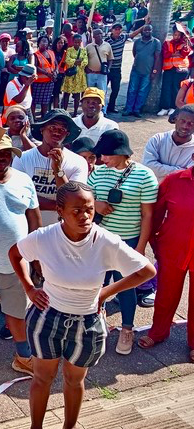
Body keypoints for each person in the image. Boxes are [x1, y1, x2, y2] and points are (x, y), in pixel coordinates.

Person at [8, 181, 155, 429]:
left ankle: (69, 425)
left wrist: (105, 293)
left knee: (75, 379)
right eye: (76, 211)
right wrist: (29, 287)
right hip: (47, 318)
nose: (85, 216)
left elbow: (147, 271)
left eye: (89, 209)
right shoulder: (45, 236)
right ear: (60, 211)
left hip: (88, 323)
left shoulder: (106, 241)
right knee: (42, 377)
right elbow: (16, 254)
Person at [0, 136, 40, 374]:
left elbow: (34, 218)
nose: (1, 157)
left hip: (17, 264)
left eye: (6, 153)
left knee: (16, 312)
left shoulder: (23, 180)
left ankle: (23, 357)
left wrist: (36, 256)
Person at [88, 130, 158, 354]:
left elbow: (148, 215)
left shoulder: (145, 176)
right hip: (98, 240)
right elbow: (86, 200)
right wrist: (96, 204)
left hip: (128, 241)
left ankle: (127, 329)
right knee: (95, 286)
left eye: (107, 155)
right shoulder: (98, 173)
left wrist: (140, 247)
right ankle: (94, 323)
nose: (102, 160)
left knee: (126, 287)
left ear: (122, 153)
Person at [139, 155, 194, 359]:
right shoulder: (174, 180)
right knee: (165, 295)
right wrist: (154, 240)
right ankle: (158, 332)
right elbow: (155, 212)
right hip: (172, 248)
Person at [12, 109, 87, 225]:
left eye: (62, 129)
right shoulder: (22, 159)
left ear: (67, 134)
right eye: (52, 127)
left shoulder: (78, 162)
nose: (57, 132)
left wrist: (58, 170)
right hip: (27, 227)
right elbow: (18, 195)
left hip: (60, 229)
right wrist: (60, 206)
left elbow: (74, 199)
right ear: (42, 129)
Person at [142, 106, 194, 181]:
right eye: (182, 121)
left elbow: (189, 176)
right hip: (153, 188)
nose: (185, 126)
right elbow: (148, 165)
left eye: (191, 123)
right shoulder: (158, 139)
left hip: (178, 190)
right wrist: (181, 170)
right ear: (175, 119)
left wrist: (159, 168)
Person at [123, 25, 162, 117]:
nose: (147, 31)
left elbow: (157, 58)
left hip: (148, 72)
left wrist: (154, 71)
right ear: (142, 31)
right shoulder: (137, 41)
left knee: (142, 91)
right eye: (145, 30)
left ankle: (137, 109)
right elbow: (134, 53)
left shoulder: (156, 42)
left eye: (149, 30)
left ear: (152, 31)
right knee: (132, 90)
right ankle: (129, 109)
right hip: (136, 70)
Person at [158, 23, 191, 116]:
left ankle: (173, 107)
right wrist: (175, 54)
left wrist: (186, 42)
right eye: (175, 34)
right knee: (166, 87)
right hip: (169, 68)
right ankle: (165, 107)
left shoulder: (184, 43)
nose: (176, 37)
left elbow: (184, 53)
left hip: (180, 69)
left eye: (178, 35)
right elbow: (165, 54)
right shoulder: (167, 43)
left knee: (176, 88)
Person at [60, 34, 88, 116]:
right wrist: (77, 61)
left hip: (79, 75)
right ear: (73, 41)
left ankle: (75, 112)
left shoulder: (83, 50)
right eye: (75, 42)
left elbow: (85, 61)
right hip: (70, 75)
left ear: (80, 42)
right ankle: (64, 111)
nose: (77, 44)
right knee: (66, 94)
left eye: (78, 42)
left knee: (77, 95)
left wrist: (77, 61)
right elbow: (67, 60)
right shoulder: (69, 50)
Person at [32, 35, 57, 118]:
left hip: (50, 81)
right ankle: (33, 117)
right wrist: (47, 73)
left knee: (45, 101)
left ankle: (44, 117)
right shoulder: (35, 54)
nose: (44, 43)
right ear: (38, 43)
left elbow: (55, 63)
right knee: (34, 100)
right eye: (42, 41)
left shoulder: (51, 52)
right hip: (38, 82)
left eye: (46, 41)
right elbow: (36, 66)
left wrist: (55, 72)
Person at [105, 24, 127, 114]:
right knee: (104, 90)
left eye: (119, 29)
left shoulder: (122, 38)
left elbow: (133, 34)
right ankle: (103, 107)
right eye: (116, 29)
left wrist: (145, 24)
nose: (118, 31)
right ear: (112, 30)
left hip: (117, 69)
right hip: (108, 69)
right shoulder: (107, 41)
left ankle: (111, 106)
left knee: (116, 89)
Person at [85, 28, 114, 95]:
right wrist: (86, 68)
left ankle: (102, 105)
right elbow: (84, 59)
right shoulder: (88, 47)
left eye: (101, 33)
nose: (100, 35)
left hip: (102, 74)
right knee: (90, 93)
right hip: (91, 74)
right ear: (94, 36)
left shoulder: (107, 45)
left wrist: (108, 69)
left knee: (102, 93)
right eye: (97, 34)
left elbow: (110, 59)